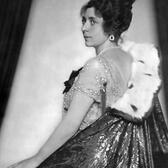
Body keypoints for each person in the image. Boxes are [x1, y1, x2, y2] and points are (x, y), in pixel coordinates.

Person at [8, 0, 168, 167]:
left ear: (110, 26)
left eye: (93, 21)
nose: (84, 28)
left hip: (87, 160)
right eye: (84, 20)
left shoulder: (97, 66)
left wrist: (35, 160)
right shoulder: (133, 62)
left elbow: (71, 125)